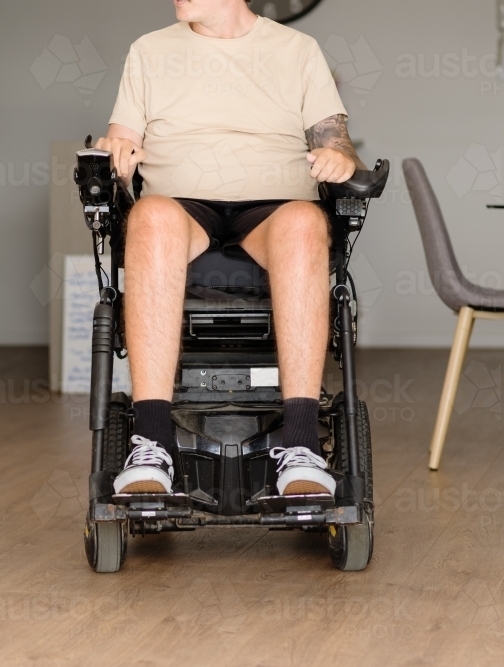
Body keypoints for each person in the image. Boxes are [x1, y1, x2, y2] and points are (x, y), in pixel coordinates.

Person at [95, 0, 366, 497]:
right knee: (148, 217)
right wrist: (118, 153)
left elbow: (340, 144)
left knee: (307, 222)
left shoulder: (296, 50)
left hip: (274, 204)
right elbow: (120, 137)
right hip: (180, 202)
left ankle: (302, 444)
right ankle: (152, 442)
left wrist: (336, 157)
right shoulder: (150, 51)